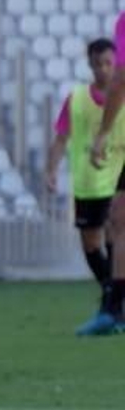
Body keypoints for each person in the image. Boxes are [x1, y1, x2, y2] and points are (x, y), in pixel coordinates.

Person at [44, 38, 125, 335]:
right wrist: (51, 169)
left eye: (109, 63)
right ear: (90, 64)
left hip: (117, 179)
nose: (104, 69)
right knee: (91, 245)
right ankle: (112, 297)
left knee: (117, 236)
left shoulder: (122, 95)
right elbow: (61, 138)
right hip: (88, 182)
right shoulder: (76, 99)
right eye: (98, 63)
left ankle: (112, 306)